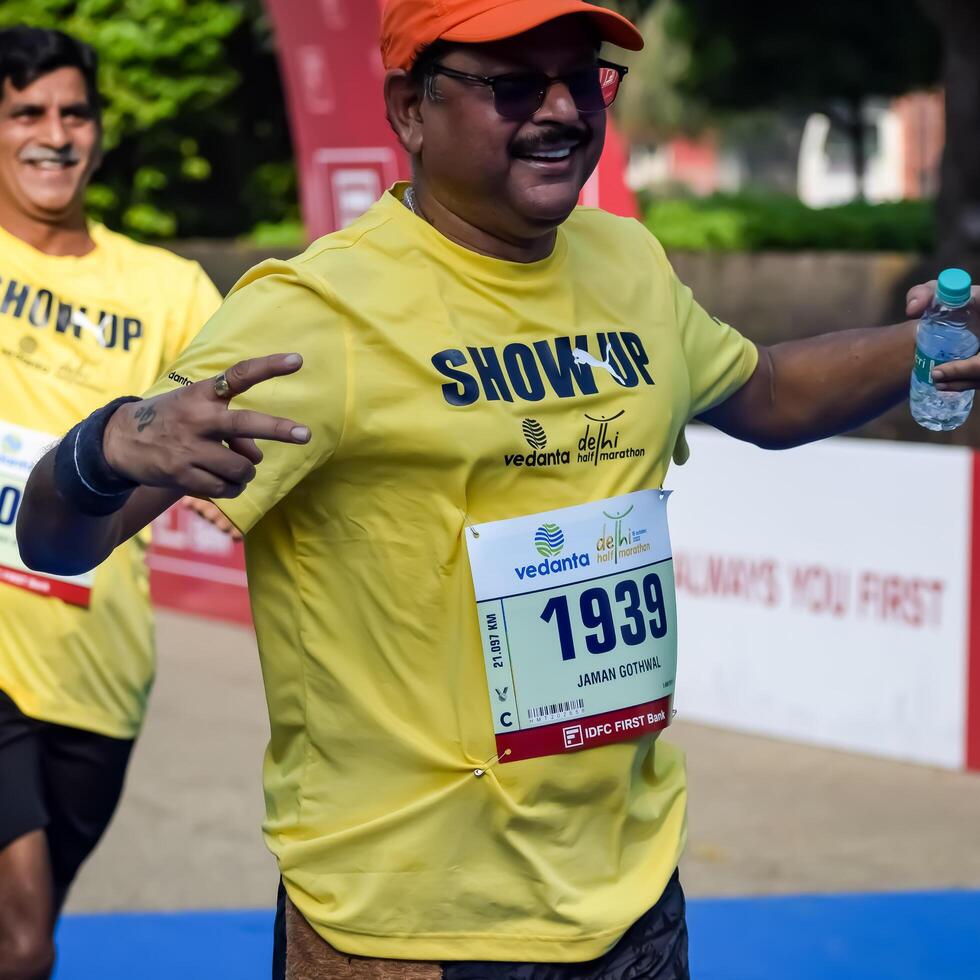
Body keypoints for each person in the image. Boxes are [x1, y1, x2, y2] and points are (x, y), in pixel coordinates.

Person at [15, 1, 980, 977]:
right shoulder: (317, 314)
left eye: (582, 76)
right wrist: (106, 446)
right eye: (511, 83)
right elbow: (58, 541)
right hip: (406, 922)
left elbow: (763, 390)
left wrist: (928, 344)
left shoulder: (626, 263)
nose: (560, 109)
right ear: (409, 110)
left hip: (630, 893)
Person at [0, 26, 223, 980]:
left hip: (99, 666)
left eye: (72, 111)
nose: (54, 133)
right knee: (22, 940)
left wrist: (226, 474)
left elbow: (240, 419)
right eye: (25, 113)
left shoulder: (167, 288)